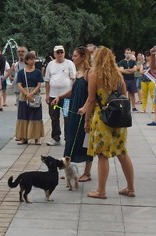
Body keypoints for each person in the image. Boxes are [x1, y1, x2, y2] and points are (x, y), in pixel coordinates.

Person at [79, 47, 136, 200]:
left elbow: (91, 100)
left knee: (102, 155)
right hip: (119, 118)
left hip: (102, 118)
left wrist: (86, 120)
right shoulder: (118, 74)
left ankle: (101, 191)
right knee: (122, 152)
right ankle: (130, 188)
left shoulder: (94, 74)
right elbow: (124, 96)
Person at [61, 46, 93, 182]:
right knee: (71, 138)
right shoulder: (78, 73)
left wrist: (85, 109)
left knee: (85, 141)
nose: (72, 58)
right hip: (74, 110)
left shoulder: (89, 73)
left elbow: (91, 95)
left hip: (84, 111)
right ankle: (68, 169)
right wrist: (60, 97)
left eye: (75, 56)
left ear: (83, 57)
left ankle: (87, 172)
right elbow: (72, 91)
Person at [44, 45, 76, 146]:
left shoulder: (69, 63)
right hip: (53, 96)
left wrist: (71, 91)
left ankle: (68, 138)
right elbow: (47, 81)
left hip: (66, 97)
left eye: (61, 52)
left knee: (67, 117)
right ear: (54, 54)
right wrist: (47, 95)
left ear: (64, 53)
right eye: (58, 52)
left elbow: (73, 79)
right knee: (54, 117)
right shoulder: (50, 64)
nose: (60, 54)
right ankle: (55, 137)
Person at [15, 51, 45, 145]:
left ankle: (37, 138)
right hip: (24, 96)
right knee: (23, 115)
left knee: (35, 115)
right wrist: (26, 94)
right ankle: (24, 138)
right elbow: (19, 85)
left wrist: (32, 93)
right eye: (31, 59)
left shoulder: (38, 72)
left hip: (34, 95)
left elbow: (39, 84)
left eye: (34, 59)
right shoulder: (21, 72)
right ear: (27, 61)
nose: (33, 61)